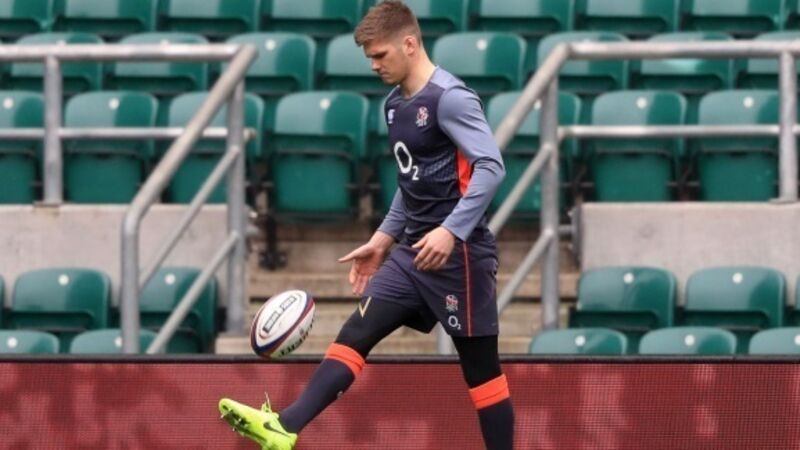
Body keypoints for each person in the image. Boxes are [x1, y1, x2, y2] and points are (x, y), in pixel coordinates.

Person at [219, 1, 513, 448]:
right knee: (357, 331)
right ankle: (284, 427)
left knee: (482, 373)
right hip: (412, 254)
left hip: (461, 258)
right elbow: (411, 181)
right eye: (370, 57)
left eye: (380, 55)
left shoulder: (451, 98)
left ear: (409, 44)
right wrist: (382, 239)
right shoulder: (394, 105)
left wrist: (451, 231)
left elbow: (491, 167)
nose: (374, 65)